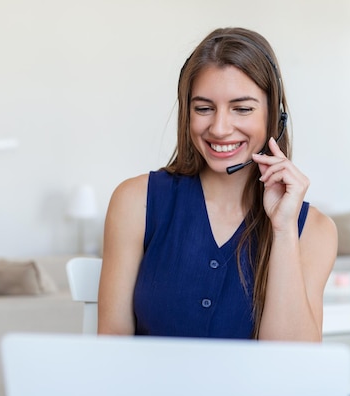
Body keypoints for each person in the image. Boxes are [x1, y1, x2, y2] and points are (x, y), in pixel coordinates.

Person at [98, 27, 337, 341]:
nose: (220, 128)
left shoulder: (314, 231)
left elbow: (291, 369)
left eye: (242, 108)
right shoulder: (135, 201)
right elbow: (112, 348)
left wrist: (283, 230)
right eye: (204, 108)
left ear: (275, 117)